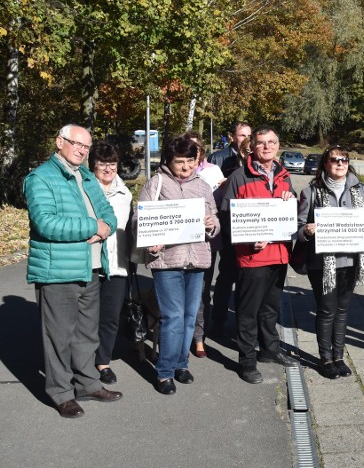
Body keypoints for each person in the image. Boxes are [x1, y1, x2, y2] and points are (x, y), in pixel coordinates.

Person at [24, 124, 121, 418]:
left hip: (90, 267)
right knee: (59, 336)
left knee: (87, 334)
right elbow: (46, 223)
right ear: (59, 142)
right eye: (76, 143)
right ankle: (61, 393)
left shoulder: (87, 176)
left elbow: (109, 214)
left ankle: (87, 383)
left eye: (86, 146)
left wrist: (106, 228)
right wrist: (94, 227)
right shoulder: (41, 178)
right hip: (58, 271)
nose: (81, 150)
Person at [135, 136, 220, 395]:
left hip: (197, 260)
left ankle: (181, 364)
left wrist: (211, 224)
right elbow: (140, 220)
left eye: (190, 161)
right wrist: (150, 240)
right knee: (172, 317)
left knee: (188, 317)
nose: (185, 167)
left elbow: (214, 218)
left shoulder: (203, 185)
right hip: (167, 262)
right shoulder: (156, 183)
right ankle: (164, 372)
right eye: (179, 162)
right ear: (169, 161)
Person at [219, 125, 297, 384]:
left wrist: (290, 197)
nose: (267, 146)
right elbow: (228, 217)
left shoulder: (285, 176)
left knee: (270, 309)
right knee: (248, 310)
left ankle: (269, 350)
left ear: (278, 145)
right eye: (261, 142)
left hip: (279, 254)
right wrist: (246, 238)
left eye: (272, 142)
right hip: (251, 257)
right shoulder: (240, 177)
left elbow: (290, 211)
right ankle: (247, 361)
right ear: (252, 146)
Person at [295, 145, 364, 379]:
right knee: (327, 310)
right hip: (323, 264)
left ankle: (339, 356)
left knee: (342, 310)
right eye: (335, 160)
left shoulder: (361, 190)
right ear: (325, 165)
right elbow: (297, 229)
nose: (340, 163)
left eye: (344, 159)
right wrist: (306, 231)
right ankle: (325, 358)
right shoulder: (310, 192)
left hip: (351, 261)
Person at [88, 141, 133, 386]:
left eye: (112, 164)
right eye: (102, 164)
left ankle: (103, 362)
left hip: (117, 263)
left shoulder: (124, 193)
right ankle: (83, 361)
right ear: (93, 165)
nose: (108, 169)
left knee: (110, 316)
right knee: (86, 317)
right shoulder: (84, 189)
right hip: (90, 263)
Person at [184, 131, 226, 359]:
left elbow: (218, 208)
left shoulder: (213, 172)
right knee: (179, 293)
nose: (192, 152)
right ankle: (180, 337)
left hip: (205, 242)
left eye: (196, 148)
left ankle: (199, 337)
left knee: (201, 291)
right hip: (179, 243)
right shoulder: (174, 174)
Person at [207, 123, 250, 336]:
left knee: (245, 278)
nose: (246, 140)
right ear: (232, 137)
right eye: (242, 135)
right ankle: (218, 320)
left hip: (250, 229)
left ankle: (242, 322)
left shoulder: (265, 165)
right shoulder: (219, 159)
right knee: (226, 274)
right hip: (227, 226)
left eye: (249, 136)